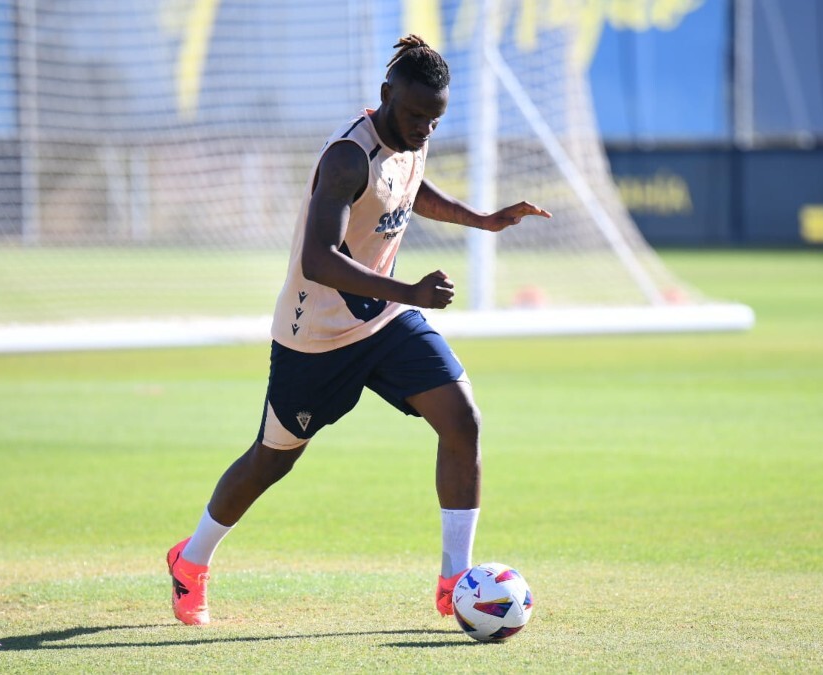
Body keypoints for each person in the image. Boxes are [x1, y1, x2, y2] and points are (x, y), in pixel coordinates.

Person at [166, 34, 551, 625]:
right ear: (385, 96)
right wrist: (413, 292)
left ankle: (454, 580)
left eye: (435, 118)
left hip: (385, 320)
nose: (425, 128)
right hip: (315, 334)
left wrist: (481, 219)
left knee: (462, 420)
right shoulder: (347, 157)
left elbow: (411, 189)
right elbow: (317, 260)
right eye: (416, 114)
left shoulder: (412, 139)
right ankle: (191, 562)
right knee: (273, 460)